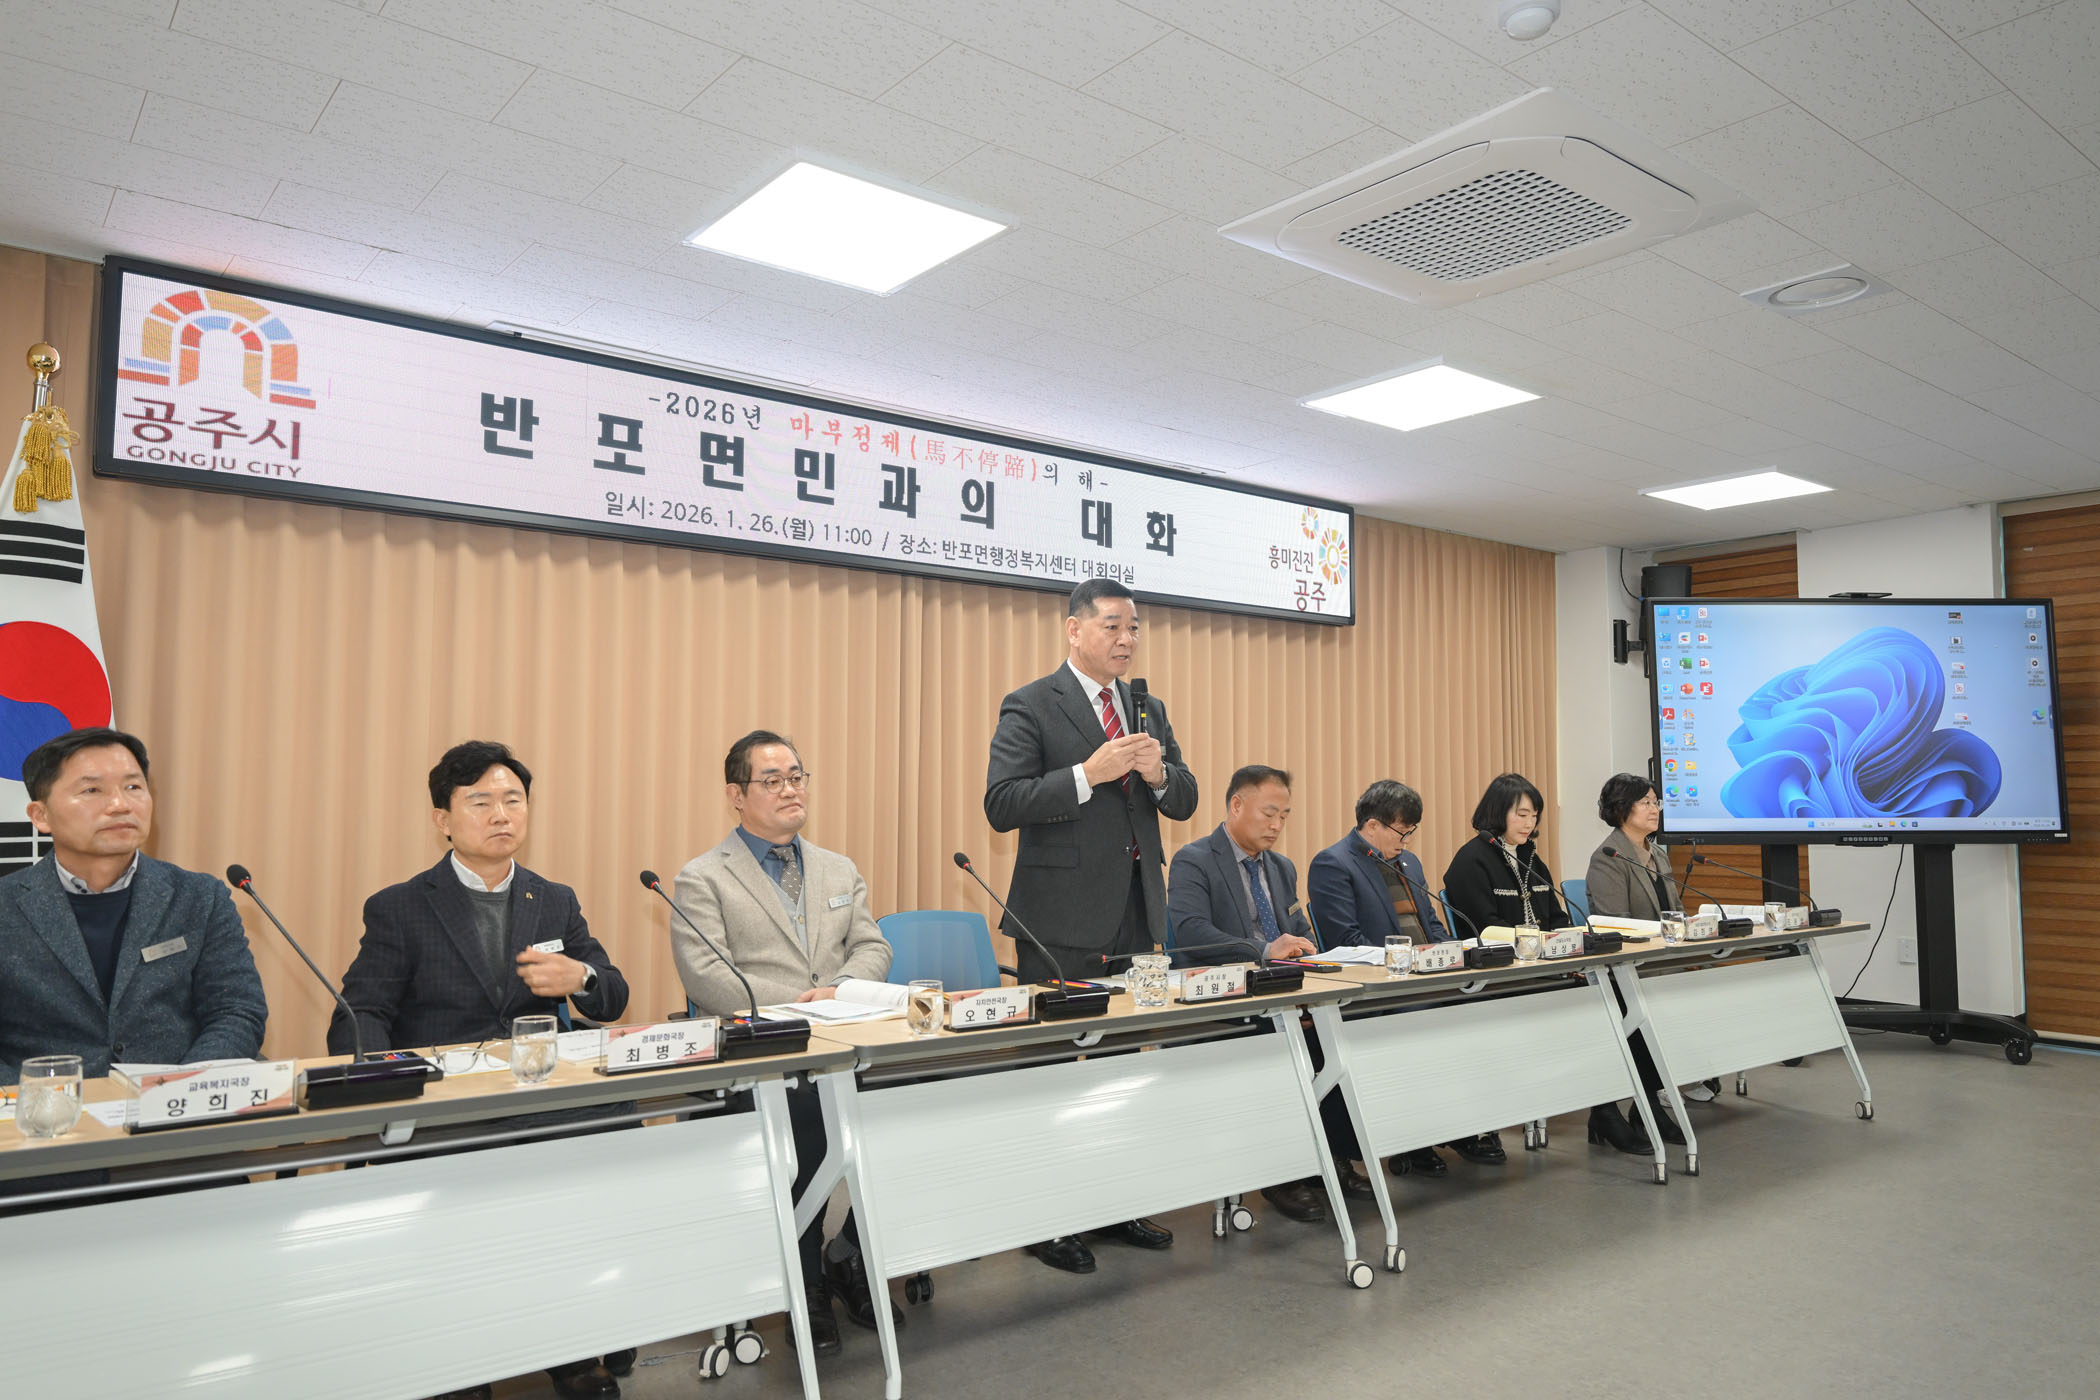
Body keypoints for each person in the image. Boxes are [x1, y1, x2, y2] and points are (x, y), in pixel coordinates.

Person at [331, 741, 633, 1400]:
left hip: (540, 1099)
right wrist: (385, 1082)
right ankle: (460, 1362)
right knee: (462, 1232)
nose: (501, 815)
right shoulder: (401, 906)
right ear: (442, 818)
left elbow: (611, 995)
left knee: (601, 1159)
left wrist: (580, 977)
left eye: (513, 800)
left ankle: (568, 1346)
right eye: (481, 802)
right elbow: (361, 1013)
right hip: (451, 1107)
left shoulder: (553, 899)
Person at [984, 577, 1197, 1274]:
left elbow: (1184, 799)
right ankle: (1045, 1219)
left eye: (1134, 627)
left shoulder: (1147, 706)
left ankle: (1112, 1202)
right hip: (1060, 921)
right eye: (1113, 626)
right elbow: (1002, 803)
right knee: (1050, 1070)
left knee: (1121, 1066)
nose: (1127, 639)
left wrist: (1160, 773)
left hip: (1138, 912)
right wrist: (1087, 773)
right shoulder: (1031, 704)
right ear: (1074, 630)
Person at [671, 731, 894, 1359]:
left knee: (914, 1103)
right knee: (804, 1125)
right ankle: (806, 1281)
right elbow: (708, 977)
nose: (790, 789)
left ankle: (850, 1253)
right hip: (764, 1056)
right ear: (736, 795)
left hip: (845, 1043)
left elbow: (872, 945)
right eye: (772, 780)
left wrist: (841, 991)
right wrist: (803, 1005)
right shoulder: (702, 878)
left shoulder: (838, 868)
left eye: (796, 776)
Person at [1, 727, 267, 1083]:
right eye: (92, 790)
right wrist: (39, 1100)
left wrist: (179, 1089)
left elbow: (236, 1011)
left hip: (177, 1103)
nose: (120, 805)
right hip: (44, 1109)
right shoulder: (6, 906)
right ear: (40, 816)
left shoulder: (200, 897)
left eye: (133, 787)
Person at [1166, 765, 1325, 1221]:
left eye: (1285, 816)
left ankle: (1326, 1159)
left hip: (1281, 991)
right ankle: (1280, 1174)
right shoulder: (1194, 859)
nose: (1277, 825)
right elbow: (1191, 931)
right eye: (1269, 813)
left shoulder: (1282, 867)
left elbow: (1298, 926)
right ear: (1236, 805)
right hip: (1224, 999)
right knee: (1280, 1046)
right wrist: (1263, 950)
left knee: (1338, 1032)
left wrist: (1306, 948)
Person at [1306, 779, 1456, 1179]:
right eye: (1401, 831)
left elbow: (1431, 926)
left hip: (1425, 978)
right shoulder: (1333, 864)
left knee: (1480, 1005)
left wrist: (1454, 955)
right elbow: (1346, 942)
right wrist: (1410, 965)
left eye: (1411, 832)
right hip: (1379, 991)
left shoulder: (1409, 864)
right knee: (1428, 1017)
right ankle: (1413, 1137)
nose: (1406, 841)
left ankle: (1459, 1128)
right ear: (1372, 825)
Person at [1439, 772, 1578, 1170]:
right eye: (1521, 814)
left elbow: (1556, 916)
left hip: (1540, 972)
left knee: (1598, 998)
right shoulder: (1471, 860)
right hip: (1497, 980)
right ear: (1498, 812)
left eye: (1534, 815)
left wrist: (1571, 941)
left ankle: (1602, 1110)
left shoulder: (1532, 858)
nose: (1529, 823)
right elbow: (1484, 926)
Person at [1581, 772, 1689, 1150]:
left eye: (1656, 801)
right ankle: (1609, 1111)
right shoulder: (1608, 857)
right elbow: (1615, 926)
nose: (1654, 808)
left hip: (1657, 964)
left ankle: (1648, 1106)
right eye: (1645, 802)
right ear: (1621, 809)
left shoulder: (1657, 854)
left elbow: (1674, 912)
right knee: (1643, 1017)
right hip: (1623, 970)